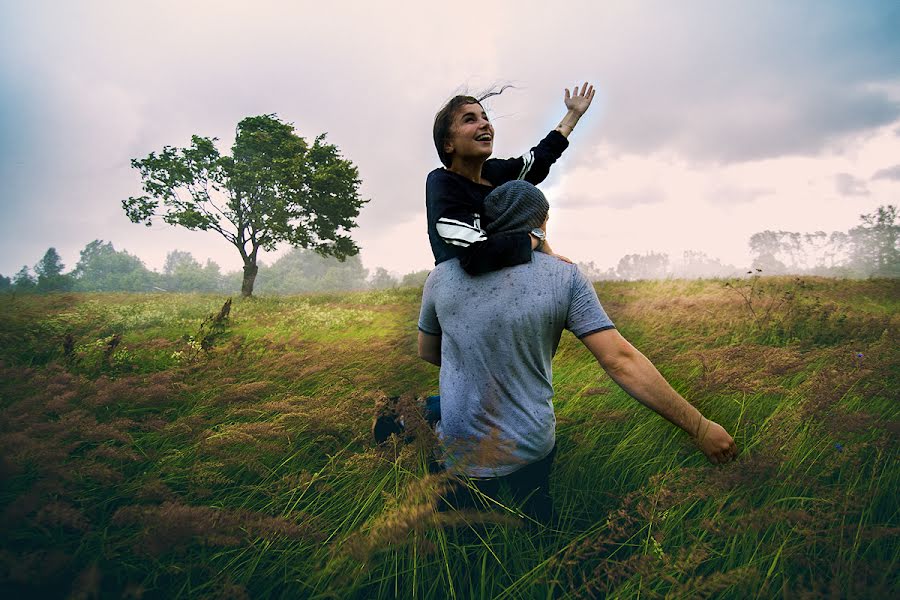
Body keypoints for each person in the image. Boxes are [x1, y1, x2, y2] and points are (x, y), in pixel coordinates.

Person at [417, 181, 737, 523]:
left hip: (462, 452)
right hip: (531, 445)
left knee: (463, 539)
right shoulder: (564, 277)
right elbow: (620, 360)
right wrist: (700, 427)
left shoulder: (442, 277)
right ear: (543, 223)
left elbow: (429, 352)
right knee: (537, 523)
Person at [427, 83, 595, 275]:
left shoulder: (493, 172)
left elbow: (537, 161)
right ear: (448, 144)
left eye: (485, 117)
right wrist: (536, 238)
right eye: (469, 119)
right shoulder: (442, 183)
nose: (485, 124)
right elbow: (476, 255)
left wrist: (573, 115)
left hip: (505, 269)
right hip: (459, 284)